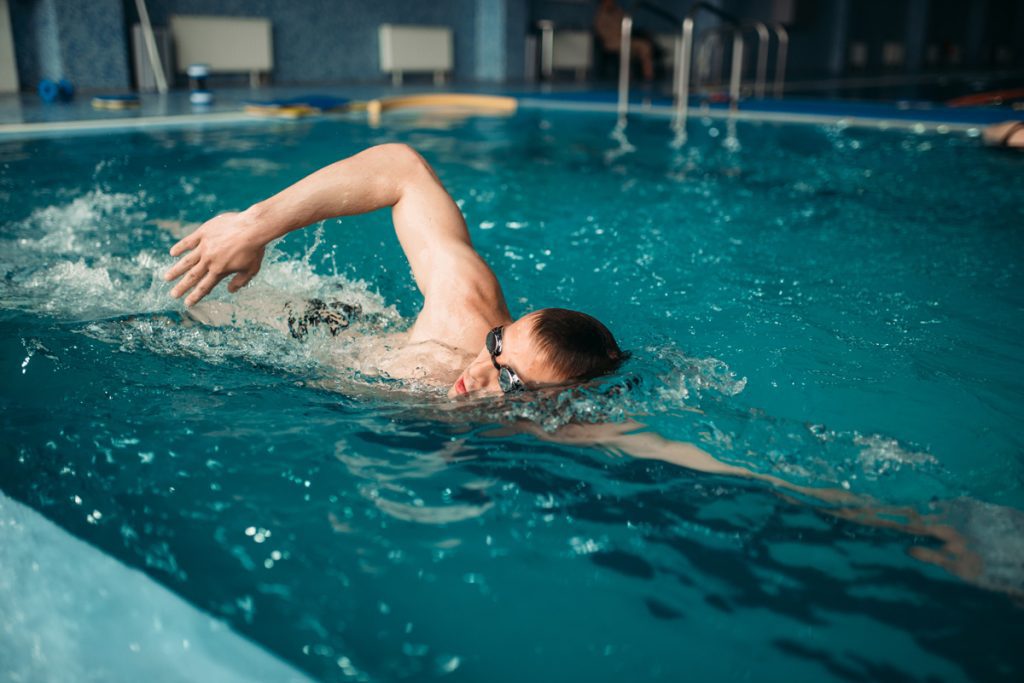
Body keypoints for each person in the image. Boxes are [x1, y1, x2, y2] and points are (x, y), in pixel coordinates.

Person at [164, 143, 628, 399]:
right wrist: (254, 227)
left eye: (510, 381)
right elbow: (404, 170)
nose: (478, 371)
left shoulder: (559, 419)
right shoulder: (465, 311)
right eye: (497, 344)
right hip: (318, 328)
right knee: (185, 302)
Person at [593, 0, 656, 82]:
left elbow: (626, 21)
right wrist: (617, 34)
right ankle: (627, 77)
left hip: (625, 39)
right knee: (626, 49)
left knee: (644, 46)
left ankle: (648, 76)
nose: (611, 2)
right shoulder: (600, 15)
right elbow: (602, 33)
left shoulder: (618, 12)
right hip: (611, 42)